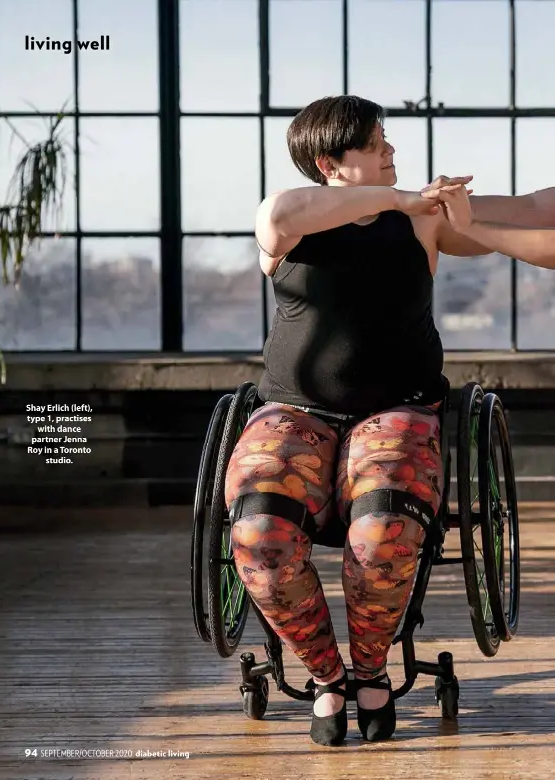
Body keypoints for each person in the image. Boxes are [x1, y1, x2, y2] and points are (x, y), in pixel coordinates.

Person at [223, 95, 555, 748]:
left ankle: (370, 669)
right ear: (330, 162)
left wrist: (451, 213)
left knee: (384, 534)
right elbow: (279, 212)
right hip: (294, 412)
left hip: (399, 411)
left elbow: (543, 215)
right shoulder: (291, 223)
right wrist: (401, 200)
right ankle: (325, 674)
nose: (393, 154)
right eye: (377, 144)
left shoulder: (420, 221)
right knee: (258, 535)